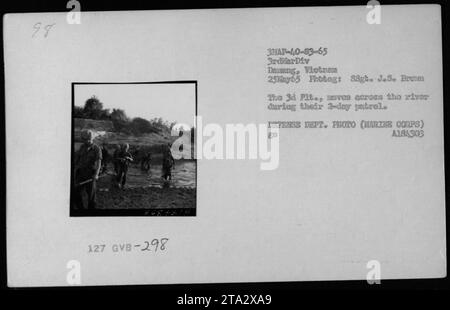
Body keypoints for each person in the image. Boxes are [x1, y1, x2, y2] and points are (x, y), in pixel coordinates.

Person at [73, 130, 102, 210]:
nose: (84, 141)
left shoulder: (97, 149)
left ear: (91, 139)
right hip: (80, 174)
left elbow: (98, 162)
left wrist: (96, 174)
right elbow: (77, 159)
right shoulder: (82, 147)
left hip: (90, 175)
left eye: (86, 139)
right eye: (83, 139)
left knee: (91, 197)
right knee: (75, 193)